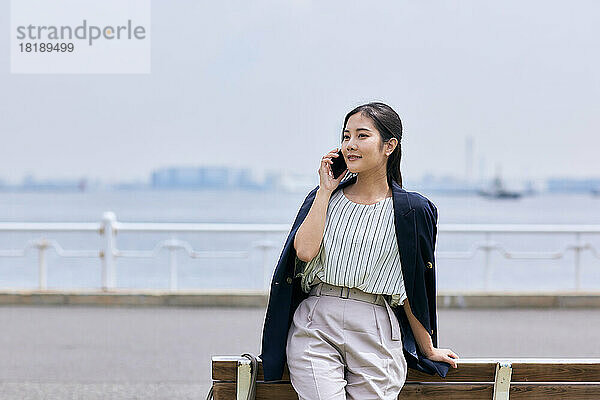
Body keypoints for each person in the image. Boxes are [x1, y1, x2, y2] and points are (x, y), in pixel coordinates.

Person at [259, 102, 459, 399]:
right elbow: (304, 252)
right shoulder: (323, 198)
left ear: (389, 145)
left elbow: (412, 287)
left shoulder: (413, 211)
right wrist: (325, 190)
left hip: (377, 328)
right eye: (346, 136)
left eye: (362, 136)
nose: (350, 145)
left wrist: (427, 348)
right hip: (317, 323)